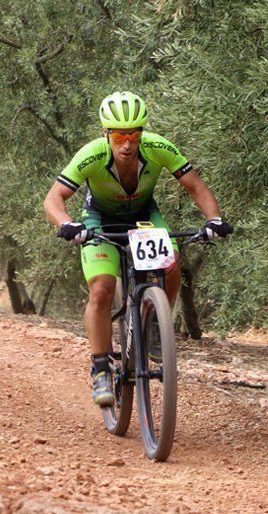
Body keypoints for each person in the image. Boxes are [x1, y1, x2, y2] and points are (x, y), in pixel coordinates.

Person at [43, 91, 232, 406]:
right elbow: (53, 198)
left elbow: (195, 186)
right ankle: (101, 368)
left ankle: (156, 325)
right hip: (99, 220)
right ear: (106, 133)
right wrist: (67, 224)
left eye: (134, 135)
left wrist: (214, 220)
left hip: (144, 217)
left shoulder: (158, 148)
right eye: (119, 136)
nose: (127, 144)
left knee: (171, 265)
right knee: (102, 289)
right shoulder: (90, 155)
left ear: (142, 133)